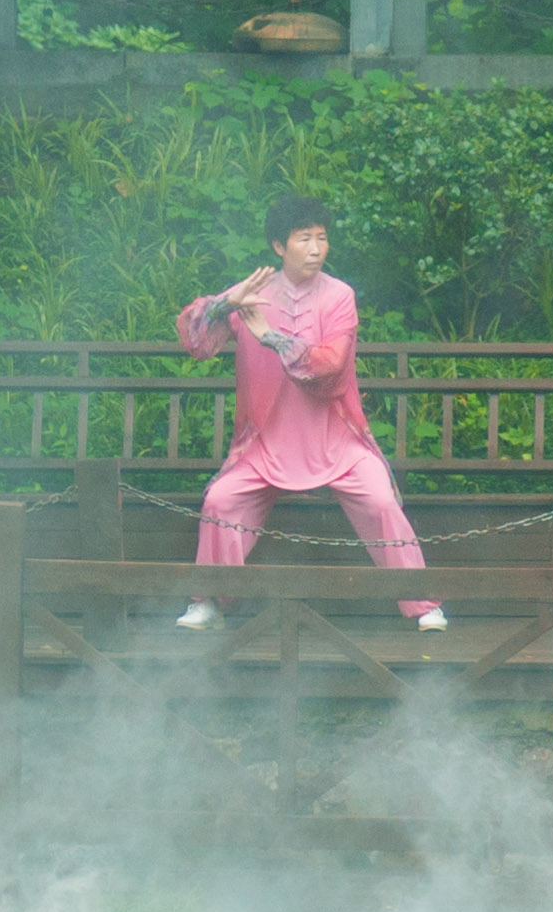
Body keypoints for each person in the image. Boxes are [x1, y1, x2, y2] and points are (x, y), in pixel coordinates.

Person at [173, 196, 443, 632]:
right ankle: (210, 601)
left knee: (379, 500)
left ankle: (423, 602)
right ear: (279, 246)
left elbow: (329, 367)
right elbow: (195, 342)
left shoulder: (340, 296)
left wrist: (271, 338)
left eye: (322, 238)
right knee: (220, 501)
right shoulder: (250, 294)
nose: (317, 248)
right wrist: (225, 303)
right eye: (304, 239)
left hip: (337, 439)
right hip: (263, 444)